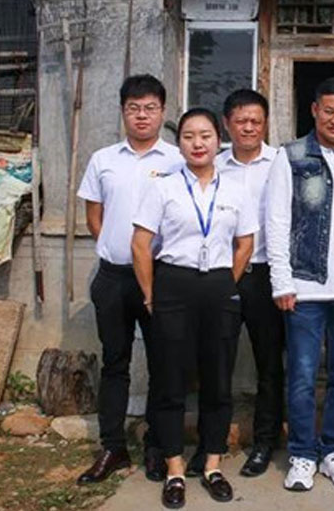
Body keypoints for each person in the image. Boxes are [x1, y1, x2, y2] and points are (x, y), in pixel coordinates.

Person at [132, 108, 257, 509]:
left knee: (218, 379)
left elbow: (245, 243)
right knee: (171, 379)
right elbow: (141, 244)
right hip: (173, 283)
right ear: (180, 143)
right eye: (188, 136)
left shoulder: (236, 190)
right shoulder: (163, 187)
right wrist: (151, 294)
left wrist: (225, 283)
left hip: (218, 285)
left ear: (219, 140)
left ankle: (212, 465)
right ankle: (174, 468)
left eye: (205, 136)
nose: (198, 143)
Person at [265, 77, 334, 492]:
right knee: (301, 376)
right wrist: (282, 282)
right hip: (305, 289)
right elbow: (277, 221)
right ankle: (301, 453)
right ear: (314, 110)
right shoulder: (292, 156)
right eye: (329, 111)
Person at [76, 74, 182, 485]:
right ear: (123, 112)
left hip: (160, 278)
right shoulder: (103, 159)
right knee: (115, 362)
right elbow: (94, 217)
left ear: (162, 111)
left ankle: (156, 446)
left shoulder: (176, 160)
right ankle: (113, 447)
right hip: (113, 279)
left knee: (162, 363)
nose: (142, 116)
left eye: (150, 108)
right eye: (134, 108)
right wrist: (115, 248)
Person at [211, 89, 285, 478]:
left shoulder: (281, 163)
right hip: (222, 273)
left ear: (265, 124)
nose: (249, 128)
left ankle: (264, 442)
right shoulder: (214, 165)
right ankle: (211, 442)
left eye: (256, 121)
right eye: (241, 121)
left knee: (269, 364)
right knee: (216, 359)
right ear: (227, 124)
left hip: (267, 274)